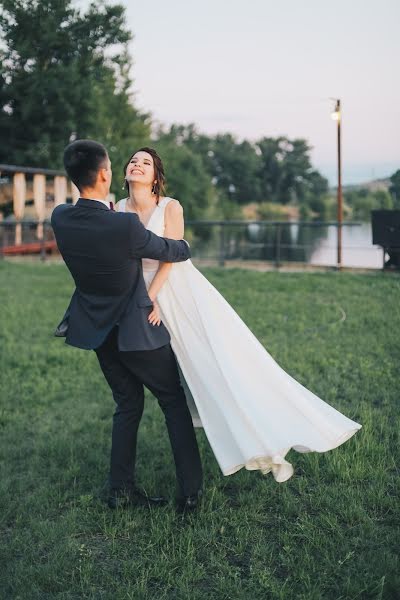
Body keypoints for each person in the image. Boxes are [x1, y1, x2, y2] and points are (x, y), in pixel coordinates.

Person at [117, 147, 362, 484]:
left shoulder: (170, 207)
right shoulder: (116, 209)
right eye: (133, 160)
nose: (137, 165)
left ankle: (258, 430)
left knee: (217, 366)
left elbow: (170, 258)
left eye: (145, 163)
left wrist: (150, 298)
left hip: (175, 291)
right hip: (137, 297)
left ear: (156, 177)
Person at [51, 140, 203, 513]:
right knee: (172, 401)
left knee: (127, 404)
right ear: (106, 174)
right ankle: (191, 492)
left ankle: (120, 490)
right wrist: (183, 244)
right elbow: (173, 251)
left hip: (98, 331)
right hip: (139, 330)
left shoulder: (60, 217)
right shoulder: (123, 223)